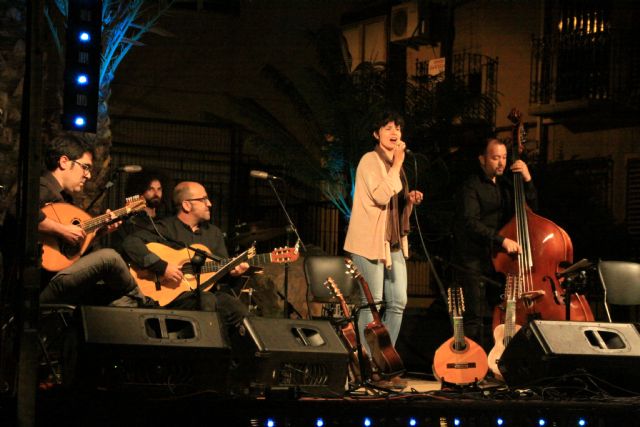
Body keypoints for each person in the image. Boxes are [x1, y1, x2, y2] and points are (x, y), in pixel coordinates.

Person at [343, 110, 423, 389]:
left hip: (393, 244)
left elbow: (393, 208)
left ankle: (384, 361)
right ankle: (367, 364)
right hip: (368, 243)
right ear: (376, 134)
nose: (394, 132)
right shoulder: (370, 160)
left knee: (398, 301)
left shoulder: (394, 165)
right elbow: (379, 195)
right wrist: (397, 163)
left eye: (398, 127)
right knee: (371, 302)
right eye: (387, 127)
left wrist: (409, 202)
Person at [33, 133, 151, 307]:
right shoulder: (43, 186)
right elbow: (22, 213)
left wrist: (99, 232)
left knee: (111, 298)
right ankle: (146, 303)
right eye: (85, 167)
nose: (88, 175)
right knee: (109, 258)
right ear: (64, 162)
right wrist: (62, 230)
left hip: (57, 276)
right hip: (41, 283)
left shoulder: (64, 200)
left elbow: (65, 253)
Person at [121, 181, 250, 327]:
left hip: (209, 294)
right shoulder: (166, 228)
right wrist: (161, 267)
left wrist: (234, 273)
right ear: (186, 205)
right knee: (206, 300)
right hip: (174, 296)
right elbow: (131, 243)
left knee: (238, 310)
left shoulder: (214, 234)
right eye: (203, 199)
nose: (209, 204)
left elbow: (221, 272)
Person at [452, 137, 537, 351]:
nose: (501, 163)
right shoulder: (471, 186)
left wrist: (527, 180)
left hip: (499, 260)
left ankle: (497, 361)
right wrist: (503, 240)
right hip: (473, 258)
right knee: (474, 316)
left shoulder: (509, 185)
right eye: (495, 158)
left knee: (500, 314)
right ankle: (471, 366)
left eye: (504, 157)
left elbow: (532, 210)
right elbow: (471, 223)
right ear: (482, 159)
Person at [110, 170, 169, 254]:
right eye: (150, 189)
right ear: (140, 192)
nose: (156, 193)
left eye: (159, 189)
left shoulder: (165, 221)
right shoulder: (129, 223)